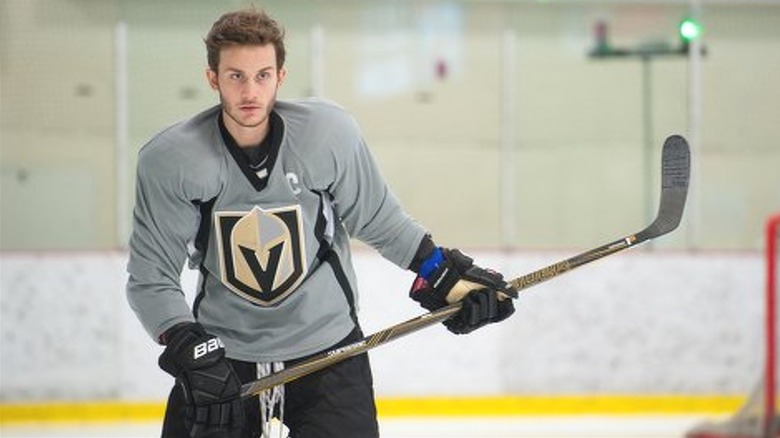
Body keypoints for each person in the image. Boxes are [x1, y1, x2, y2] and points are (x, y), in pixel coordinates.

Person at [126, 8, 517, 438]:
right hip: (222, 363)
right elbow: (151, 277)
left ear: (281, 75)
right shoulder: (173, 161)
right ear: (212, 79)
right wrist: (186, 345)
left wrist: (439, 273)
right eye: (236, 76)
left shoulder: (327, 134)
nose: (250, 91)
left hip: (328, 355)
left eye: (263, 75)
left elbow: (377, 217)